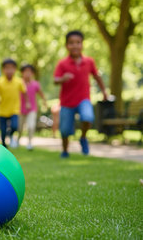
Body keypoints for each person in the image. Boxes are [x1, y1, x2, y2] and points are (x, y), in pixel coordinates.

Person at [54, 30, 107, 158]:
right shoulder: (62, 63)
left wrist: (104, 91)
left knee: (88, 117)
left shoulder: (89, 61)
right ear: (67, 45)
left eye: (78, 42)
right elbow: (55, 80)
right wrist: (63, 78)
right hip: (67, 102)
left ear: (82, 44)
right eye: (71, 43)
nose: (75, 45)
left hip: (83, 99)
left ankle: (83, 137)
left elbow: (97, 76)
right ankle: (65, 151)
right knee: (65, 130)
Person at [0, 59, 26, 148]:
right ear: (3, 70)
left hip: (14, 109)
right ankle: (4, 145)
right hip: (2, 109)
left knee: (14, 126)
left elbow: (24, 92)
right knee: (2, 130)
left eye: (11, 68)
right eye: (7, 68)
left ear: (15, 69)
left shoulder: (19, 81)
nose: (9, 70)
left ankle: (10, 134)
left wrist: (27, 103)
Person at [17, 64, 47, 150]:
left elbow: (41, 93)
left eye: (29, 72)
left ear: (32, 73)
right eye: (25, 72)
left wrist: (44, 101)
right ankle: (17, 140)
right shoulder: (19, 83)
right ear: (22, 73)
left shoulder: (35, 84)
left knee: (31, 126)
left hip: (32, 109)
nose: (27, 74)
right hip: (20, 109)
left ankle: (30, 143)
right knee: (19, 127)